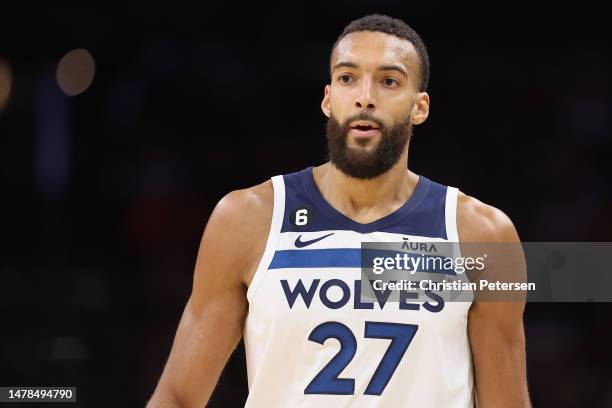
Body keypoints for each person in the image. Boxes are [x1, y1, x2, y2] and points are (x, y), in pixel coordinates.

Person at [147, 14, 530, 407]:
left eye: (389, 81)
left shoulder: (481, 235)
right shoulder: (247, 219)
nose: (365, 96)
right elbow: (178, 396)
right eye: (348, 78)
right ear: (329, 99)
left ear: (420, 107)